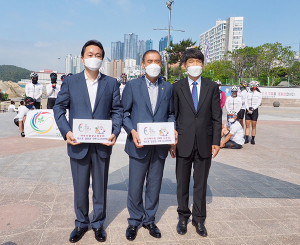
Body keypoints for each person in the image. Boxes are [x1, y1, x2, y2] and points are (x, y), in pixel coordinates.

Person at [53, 40, 123, 243]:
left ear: (103, 59)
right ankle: (81, 223)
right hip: (78, 145)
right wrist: (66, 132)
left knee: (100, 187)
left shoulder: (111, 83)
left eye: (98, 55)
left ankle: (98, 224)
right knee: (80, 187)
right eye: (90, 55)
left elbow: (117, 111)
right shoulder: (71, 82)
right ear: (82, 59)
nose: (94, 58)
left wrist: (115, 131)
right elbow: (59, 108)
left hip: (102, 145)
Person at [122, 50, 176, 241]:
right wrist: (132, 131)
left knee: (154, 185)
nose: (154, 64)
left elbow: (170, 114)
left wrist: (172, 133)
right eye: (150, 61)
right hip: (138, 145)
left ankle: (150, 219)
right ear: (143, 64)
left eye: (157, 61)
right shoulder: (132, 86)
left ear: (162, 64)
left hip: (159, 146)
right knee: (135, 186)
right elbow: (124, 113)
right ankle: (135, 220)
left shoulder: (168, 87)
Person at [171, 48, 222, 237]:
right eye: (191, 62)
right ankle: (183, 216)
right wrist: (172, 141)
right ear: (184, 66)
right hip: (182, 142)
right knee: (182, 183)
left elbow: (217, 116)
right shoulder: (177, 87)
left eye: (198, 62)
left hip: (204, 142)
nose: (195, 66)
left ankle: (199, 220)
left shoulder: (212, 87)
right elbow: (173, 116)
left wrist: (216, 141)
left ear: (203, 65)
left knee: (200, 183)